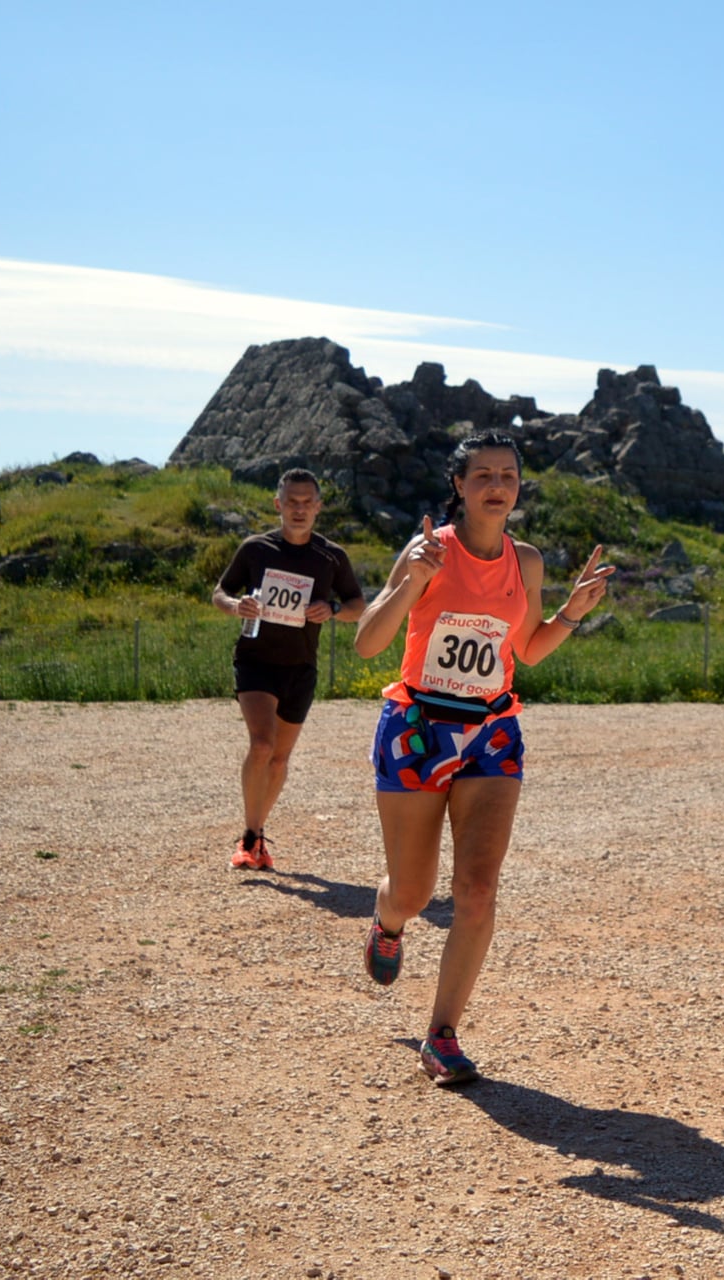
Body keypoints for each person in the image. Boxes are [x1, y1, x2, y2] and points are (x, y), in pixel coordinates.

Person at [353, 431, 613, 1085]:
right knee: (412, 891)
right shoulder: (429, 550)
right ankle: (388, 921)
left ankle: (441, 1035)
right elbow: (366, 643)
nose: (496, 484)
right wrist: (409, 581)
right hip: (416, 728)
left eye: (507, 474)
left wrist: (572, 613)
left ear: (518, 487)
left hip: (492, 734)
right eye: (482, 475)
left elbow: (526, 648)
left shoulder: (526, 561)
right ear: (459, 487)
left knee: (475, 891)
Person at [211, 469, 366, 871]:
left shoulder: (331, 557)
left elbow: (357, 605)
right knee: (261, 745)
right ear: (278, 505)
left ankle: (258, 833)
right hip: (256, 661)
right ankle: (248, 835)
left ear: (318, 507)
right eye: (291, 502)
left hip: (301, 667)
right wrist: (235, 606)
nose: (299, 510)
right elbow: (219, 592)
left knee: (279, 759)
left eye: (306, 502)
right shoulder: (255, 549)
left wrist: (331, 610)